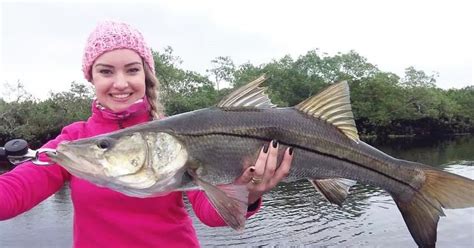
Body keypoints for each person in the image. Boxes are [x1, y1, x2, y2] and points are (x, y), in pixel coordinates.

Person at [0, 21, 293, 247]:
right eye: (105, 71)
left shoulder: (175, 138)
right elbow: (12, 194)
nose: (120, 83)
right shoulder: (74, 142)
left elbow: (210, 213)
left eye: (132, 70)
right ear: (91, 77)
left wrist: (250, 191)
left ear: (146, 75)